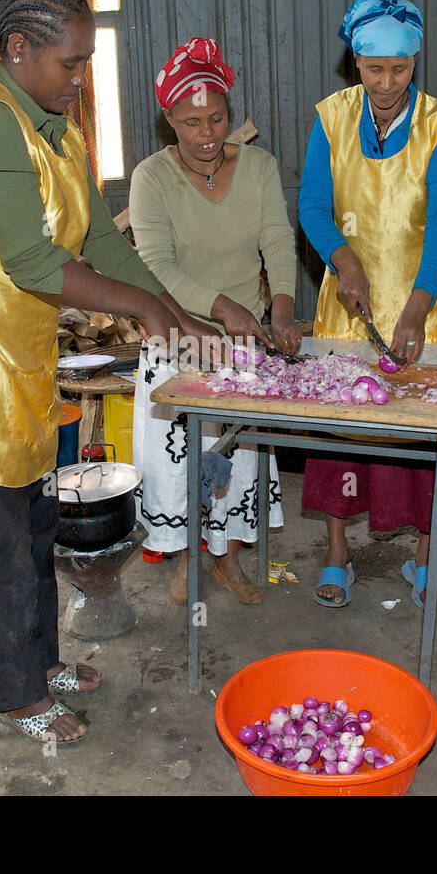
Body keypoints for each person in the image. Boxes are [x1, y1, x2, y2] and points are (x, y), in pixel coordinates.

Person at [0, 0, 215, 744]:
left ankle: (40, 662)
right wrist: (142, 311)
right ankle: (12, 694)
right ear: (19, 48)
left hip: (10, 351)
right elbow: (33, 263)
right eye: (69, 63)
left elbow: (98, 240)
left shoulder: (54, 125)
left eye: (85, 63)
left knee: (35, 516)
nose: (79, 78)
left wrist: (174, 307)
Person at [297, 0, 437, 607]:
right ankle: (338, 553)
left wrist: (420, 303)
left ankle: (425, 560)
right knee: (341, 434)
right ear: (355, 63)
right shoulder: (331, 116)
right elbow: (313, 205)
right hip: (348, 302)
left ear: (415, 62)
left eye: (400, 68)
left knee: (425, 436)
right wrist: (344, 261)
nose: (388, 81)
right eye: (375, 68)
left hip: (420, 300)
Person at [129, 37, 300, 607]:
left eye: (218, 118)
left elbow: (277, 238)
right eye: (192, 122)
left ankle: (224, 556)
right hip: (175, 334)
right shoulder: (152, 178)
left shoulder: (258, 167)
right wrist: (223, 306)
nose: (207, 134)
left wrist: (280, 304)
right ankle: (186, 558)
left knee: (236, 454)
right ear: (168, 120)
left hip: (248, 339)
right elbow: (156, 267)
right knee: (179, 454)